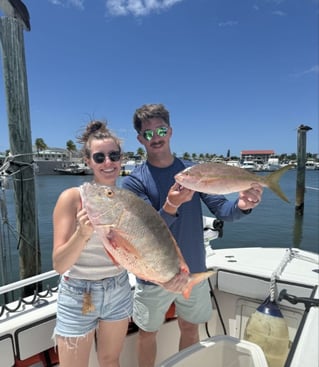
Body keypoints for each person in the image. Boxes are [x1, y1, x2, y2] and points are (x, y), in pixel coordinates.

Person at [121, 103, 263, 367]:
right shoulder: (134, 182)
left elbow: (223, 210)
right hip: (154, 275)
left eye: (160, 130)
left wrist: (244, 205)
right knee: (147, 332)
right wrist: (171, 205)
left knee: (190, 328)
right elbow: (144, 234)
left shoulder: (195, 172)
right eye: (148, 133)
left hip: (194, 271)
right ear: (140, 139)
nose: (156, 137)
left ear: (170, 131)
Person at [52, 120, 133, 367]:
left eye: (113, 155)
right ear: (88, 161)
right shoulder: (72, 198)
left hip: (118, 287)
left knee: (110, 361)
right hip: (78, 293)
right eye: (99, 157)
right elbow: (59, 264)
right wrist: (83, 233)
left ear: (122, 158)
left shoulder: (127, 202)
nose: (108, 162)